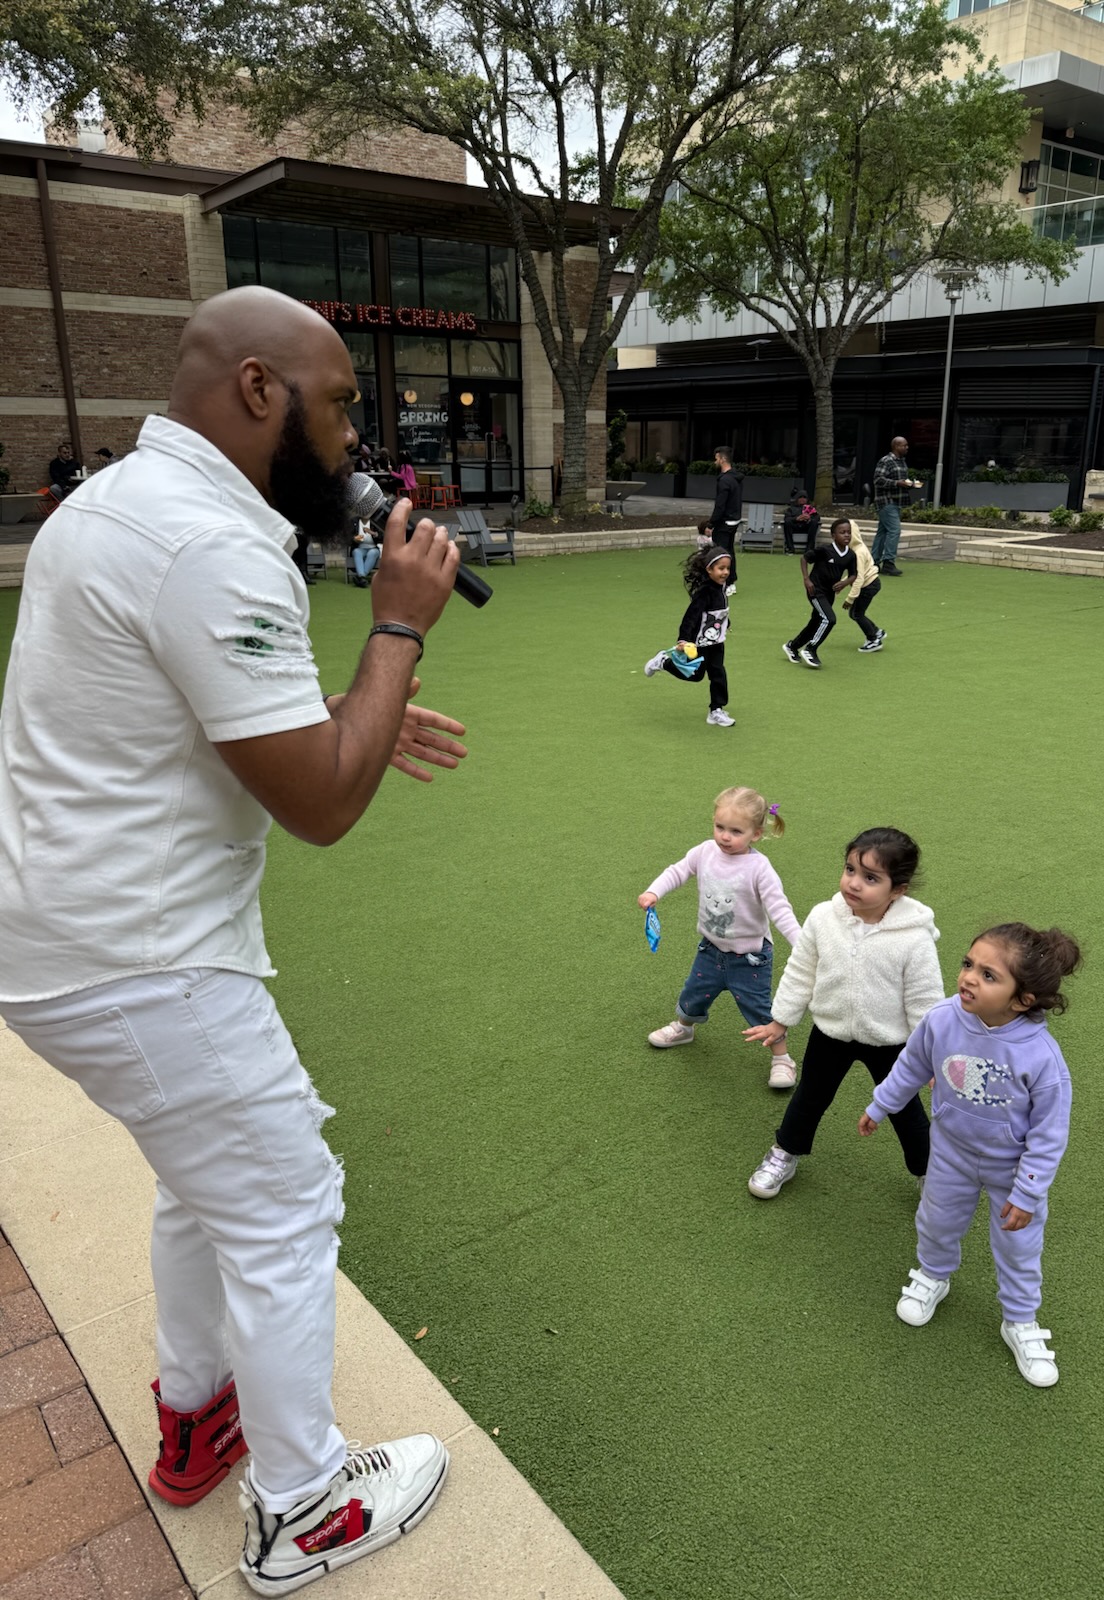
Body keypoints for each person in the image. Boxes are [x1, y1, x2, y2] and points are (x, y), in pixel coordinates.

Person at [0, 286, 470, 1594]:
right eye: (338, 406)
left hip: (56, 936)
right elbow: (322, 801)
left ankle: (200, 1420)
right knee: (282, 1201)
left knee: (203, 1183)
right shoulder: (211, 540)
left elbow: (175, 714)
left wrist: (327, 705)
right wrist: (394, 633)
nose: (353, 441)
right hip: (138, 953)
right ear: (259, 391)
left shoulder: (111, 505)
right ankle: (300, 1504)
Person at [858, 924, 1079, 1388]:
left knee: (1019, 1247)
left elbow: (1049, 1133)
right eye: (967, 964)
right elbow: (912, 1066)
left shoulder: (1041, 1056)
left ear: (1023, 1000)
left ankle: (1018, 1319)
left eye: (989, 975)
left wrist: (1028, 1192)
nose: (969, 978)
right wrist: (881, 1105)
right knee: (936, 1220)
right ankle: (933, 1275)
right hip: (951, 1153)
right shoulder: (942, 1018)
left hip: (1012, 1169)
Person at [744, 828, 942, 1199]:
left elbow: (925, 1002)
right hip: (830, 1032)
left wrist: (930, 1056)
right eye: (850, 869)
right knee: (810, 1097)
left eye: (870, 878)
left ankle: (929, 1173)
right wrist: (780, 1019)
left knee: (904, 1110)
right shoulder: (823, 917)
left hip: (889, 1041)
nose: (854, 883)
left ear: (898, 890)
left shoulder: (914, 938)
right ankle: (784, 1153)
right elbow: (801, 970)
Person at [638, 788, 802, 1089]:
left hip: (750, 957)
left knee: (760, 1009)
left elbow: (779, 909)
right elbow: (678, 871)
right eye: (720, 827)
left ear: (755, 833)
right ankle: (684, 1028)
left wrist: (802, 943)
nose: (725, 836)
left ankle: (782, 1058)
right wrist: (654, 891)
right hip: (711, 949)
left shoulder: (759, 868)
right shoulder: (704, 852)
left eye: (736, 831)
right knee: (694, 993)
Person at [644, 546, 735, 727]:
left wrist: (726, 623)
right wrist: (683, 639)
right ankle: (663, 662)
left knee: (718, 673)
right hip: (698, 643)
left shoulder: (722, 587)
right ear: (709, 569)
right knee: (695, 675)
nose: (725, 572)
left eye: (727, 568)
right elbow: (690, 617)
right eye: (721, 568)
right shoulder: (704, 591)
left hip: (716, 642)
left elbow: (718, 612)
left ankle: (716, 710)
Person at [782, 516, 856, 669]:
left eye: (849, 532)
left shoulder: (850, 555)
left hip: (829, 594)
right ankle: (811, 649)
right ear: (833, 535)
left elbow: (854, 574)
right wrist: (806, 579)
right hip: (815, 590)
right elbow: (804, 559)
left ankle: (792, 646)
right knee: (830, 619)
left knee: (816, 622)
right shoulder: (824, 550)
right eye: (842, 532)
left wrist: (844, 583)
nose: (847, 535)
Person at [870, 436, 922, 577]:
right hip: (886, 501)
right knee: (894, 530)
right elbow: (878, 479)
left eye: (906, 445)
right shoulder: (886, 461)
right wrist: (897, 483)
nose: (907, 447)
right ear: (896, 446)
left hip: (897, 501)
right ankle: (888, 562)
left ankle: (873, 562)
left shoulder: (902, 462)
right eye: (904, 445)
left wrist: (910, 484)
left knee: (883, 532)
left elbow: (900, 481)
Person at [842, 517, 886, 653]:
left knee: (856, 613)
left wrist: (850, 598)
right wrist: (842, 584)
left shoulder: (858, 553)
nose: (845, 536)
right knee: (855, 613)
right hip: (871, 583)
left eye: (847, 532)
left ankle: (873, 639)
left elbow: (859, 577)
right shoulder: (855, 549)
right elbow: (853, 573)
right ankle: (876, 631)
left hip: (868, 585)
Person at [705, 445, 741, 593]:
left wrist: (711, 524)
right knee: (729, 551)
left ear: (722, 459)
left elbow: (720, 505)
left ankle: (726, 583)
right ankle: (730, 582)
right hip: (734, 520)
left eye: (716, 459)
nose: (715, 462)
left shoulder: (725, 481)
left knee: (721, 553)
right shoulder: (735, 478)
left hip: (725, 522)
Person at [781, 488, 819, 556]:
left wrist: (809, 518)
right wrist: (797, 518)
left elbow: (817, 518)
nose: (802, 499)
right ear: (797, 499)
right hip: (795, 527)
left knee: (814, 522)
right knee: (787, 522)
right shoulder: (791, 509)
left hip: (806, 527)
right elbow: (786, 518)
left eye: (804, 497)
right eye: (800, 497)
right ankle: (790, 548)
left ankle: (809, 549)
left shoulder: (810, 508)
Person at [350, 518, 381, 585]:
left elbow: (382, 536)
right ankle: (361, 577)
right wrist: (354, 539)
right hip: (360, 548)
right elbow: (348, 536)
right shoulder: (354, 522)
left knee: (372, 553)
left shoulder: (375, 521)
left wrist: (372, 533)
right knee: (356, 552)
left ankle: (360, 576)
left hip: (373, 548)